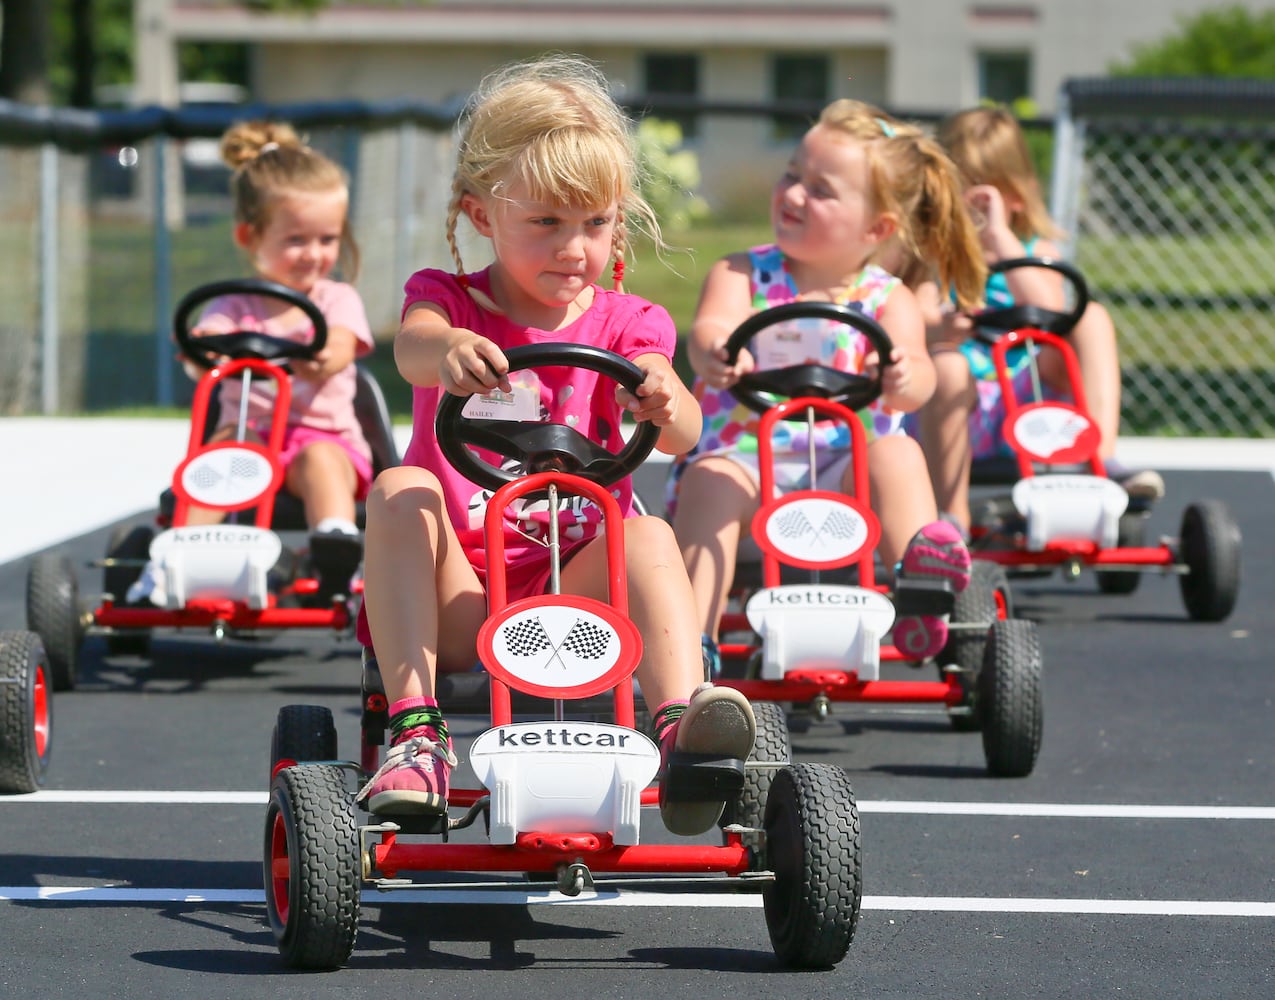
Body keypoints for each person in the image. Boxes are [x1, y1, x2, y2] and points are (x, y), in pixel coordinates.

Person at [354, 54, 755, 837]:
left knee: (643, 529)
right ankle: (415, 733)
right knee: (401, 489)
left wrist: (659, 391)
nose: (574, 248)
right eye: (545, 223)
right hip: (463, 594)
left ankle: (678, 727)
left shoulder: (631, 325)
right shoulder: (446, 301)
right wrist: (447, 354)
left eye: (594, 224)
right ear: (481, 215)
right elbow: (413, 348)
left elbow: (683, 436)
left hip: (575, 591)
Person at [668, 100, 986, 669]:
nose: (792, 194)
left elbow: (918, 371)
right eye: (792, 175)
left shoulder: (889, 297)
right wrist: (715, 350)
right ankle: (692, 642)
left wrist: (905, 376)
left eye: (820, 190)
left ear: (876, 228)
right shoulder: (742, 273)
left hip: (845, 465)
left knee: (897, 451)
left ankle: (920, 584)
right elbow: (711, 328)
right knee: (709, 478)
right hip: (746, 460)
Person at [129, 120, 375, 605]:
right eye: (297, 240)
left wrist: (323, 356)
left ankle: (335, 545)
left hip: (323, 438)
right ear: (249, 236)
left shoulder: (335, 299)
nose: (315, 254)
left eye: (327, 240)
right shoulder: (232, 307)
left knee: (319, 460)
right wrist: (207, 349)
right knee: (217, 459)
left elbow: (342, 345)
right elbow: (205, 355)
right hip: (249, 438)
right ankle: (172, 560)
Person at [915, 105, 1164, 535]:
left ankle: (1097, 462)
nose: (971, 210)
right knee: (947, 366)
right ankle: (952, 518)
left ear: (1014, 196)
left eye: (983, 196)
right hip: (958, 408)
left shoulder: (1034, 252)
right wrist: (942, 327)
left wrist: (1001, 240)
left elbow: (1052, 310)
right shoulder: (933, 258)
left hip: (1031, 402)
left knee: (1091, 319)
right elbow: (915, 317)